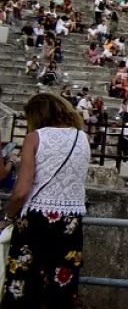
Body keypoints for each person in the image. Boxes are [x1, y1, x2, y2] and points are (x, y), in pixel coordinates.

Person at [2, 92, 91, 309]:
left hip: (36, 220)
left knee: (24, 285)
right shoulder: (82, 137)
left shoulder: (35, 137)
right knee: (61, 286)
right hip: (71, 222)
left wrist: (8, 216)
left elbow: (21, 191)